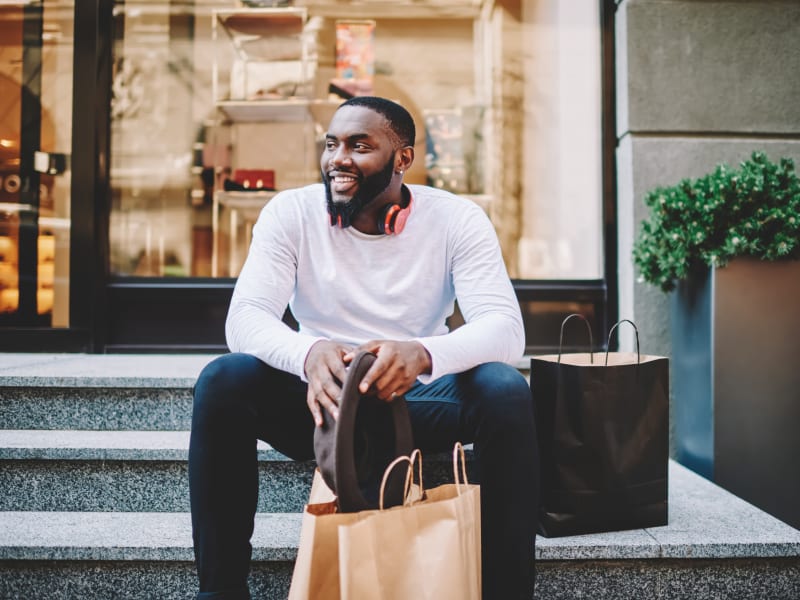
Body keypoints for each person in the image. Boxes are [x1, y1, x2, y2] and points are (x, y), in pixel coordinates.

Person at [189, 96, 540, 600]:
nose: (338, 159)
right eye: (332, 144)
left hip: (416, 403)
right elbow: (244, 319)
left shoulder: (457, 219)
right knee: (223, 380)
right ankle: (220, 593)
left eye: (359, 146)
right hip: (323, 408)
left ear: (403, 159)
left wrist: (422, 354)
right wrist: (308, 355)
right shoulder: (290, 213)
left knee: (504, 389)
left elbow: (505, 329)